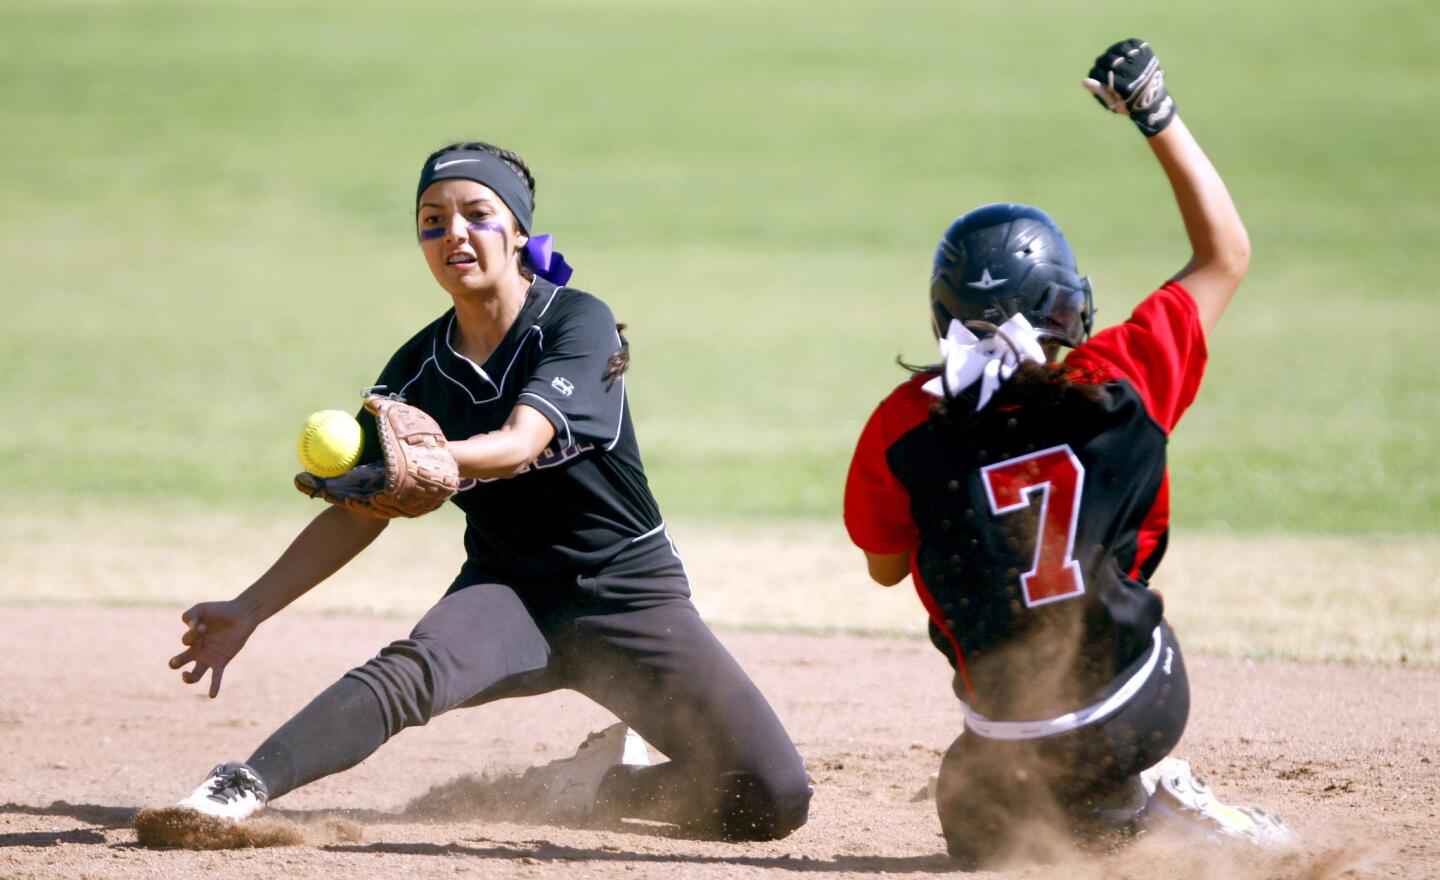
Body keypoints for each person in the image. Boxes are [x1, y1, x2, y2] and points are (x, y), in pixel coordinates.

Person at [167, 140, 812, 841]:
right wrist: (250, 607)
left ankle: (595, 786)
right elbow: (359, 515)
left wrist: (433, 454)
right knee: (412, 672)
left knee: (772, 799)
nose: (455, 234)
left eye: (477, 213)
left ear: (518, 233)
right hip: (508, 596)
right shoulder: (415, 376)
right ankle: (239, 786)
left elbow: (518, 443)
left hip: (631, 597)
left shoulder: (576, 322)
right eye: (433, 220)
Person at [842, 40, 1289, 866]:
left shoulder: (902, 426)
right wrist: (1155, 113)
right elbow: (1225, 252)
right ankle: (1151, 800)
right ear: (1067, 307)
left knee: (981, 831)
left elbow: (884, 568)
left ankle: (1125, 806)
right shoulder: (1116, 376)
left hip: (1005, 739)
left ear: (943, 319)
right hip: (1138, 705)